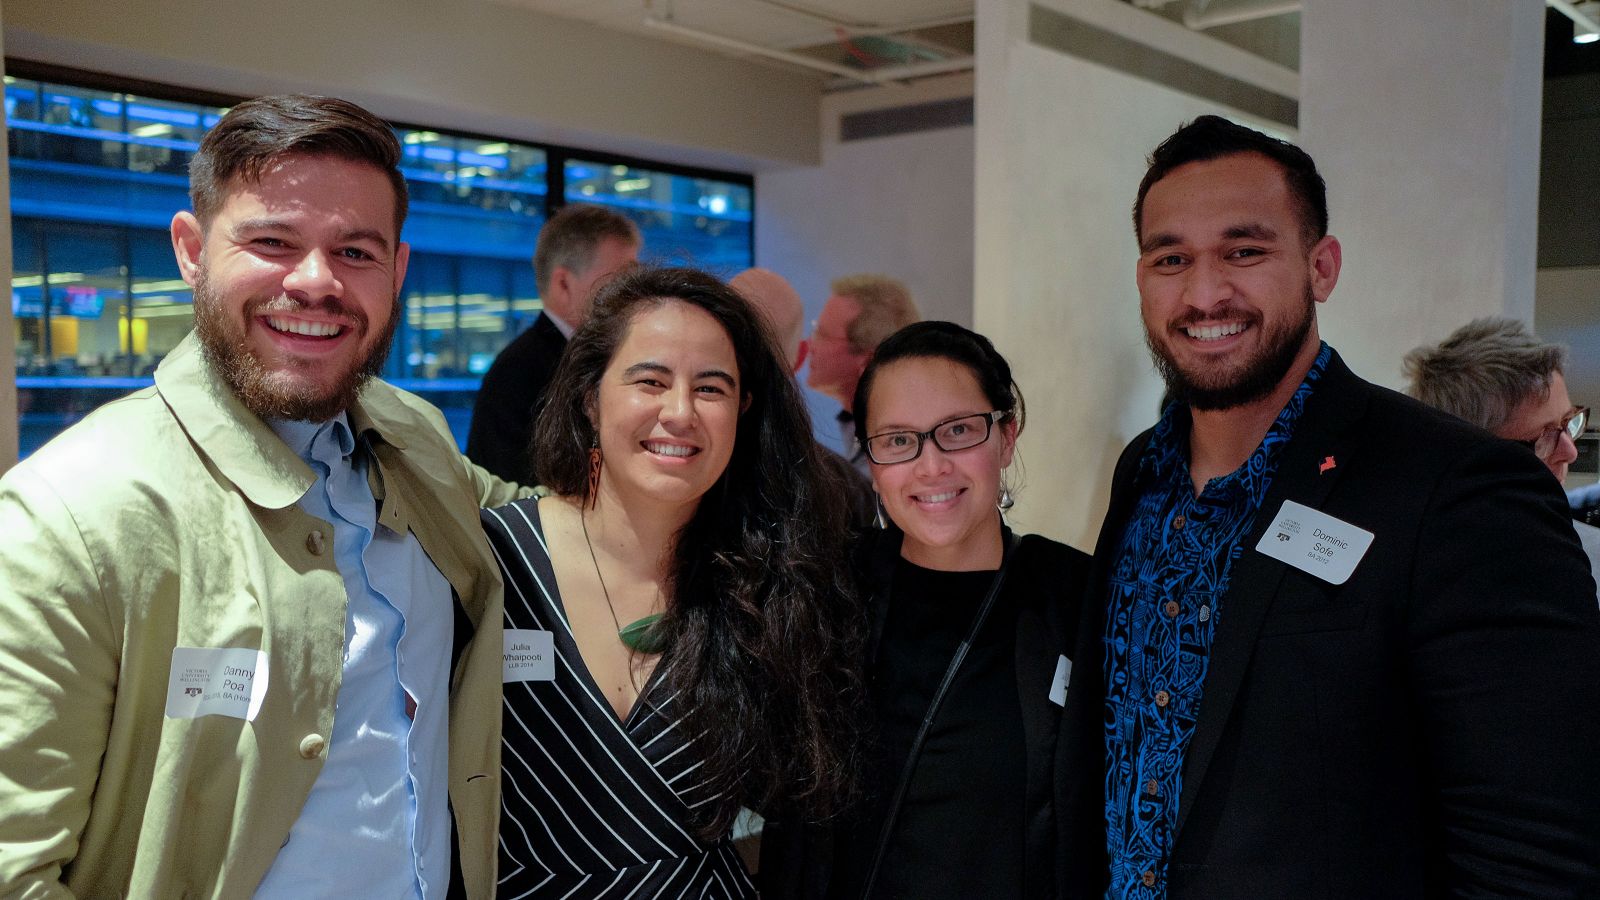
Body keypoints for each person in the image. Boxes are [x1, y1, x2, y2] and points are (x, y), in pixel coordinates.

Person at [1056, 115, 1600, 898]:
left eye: (1245, 251)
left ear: (1322, 266)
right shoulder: (1142, 473)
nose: (1205, 292)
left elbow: (1536, 855)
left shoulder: (1460, 490)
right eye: (1171, 258)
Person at [0, 95, 527, 897]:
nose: (316, 282)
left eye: (356, 251)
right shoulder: (67, 516)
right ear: (190, 250)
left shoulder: (410, 435)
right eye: (273, 241)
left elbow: (550, 525)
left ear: (399, 270)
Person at [484, 266, 861, 896]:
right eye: (650, 381)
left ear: (743, 410)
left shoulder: (771, 581)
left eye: (711, 389)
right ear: (589, 395)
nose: (680, 412)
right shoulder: (495, 558)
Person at [762, 321, 1090, 899]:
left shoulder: (1075, 598)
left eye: (959, 431)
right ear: (871, 457)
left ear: (1006, 435)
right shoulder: (827, 595)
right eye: (897, 440)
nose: (931, 465)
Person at [1404, 317, 1600, 593]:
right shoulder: (1419, 577)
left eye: (1570, 422)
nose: (1570, 452)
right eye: (1546, 436)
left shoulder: (1590, 557)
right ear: (1470, 458)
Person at [467, 203, 641, 483]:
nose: (630, 294)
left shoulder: (573, 357)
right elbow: (514, 486)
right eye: (619, 281)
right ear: (563, 284)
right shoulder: (521, 369)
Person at [730, 266, 874, 528]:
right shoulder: (851, 491)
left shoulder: (674, 463)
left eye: (823, 333)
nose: (816, 345)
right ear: (800, 356)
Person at [806, 274, 920, 470]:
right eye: (816, 329)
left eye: (823, 335)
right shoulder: (861, 427)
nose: (810, 345)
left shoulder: (896, 453)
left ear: (867, 360)